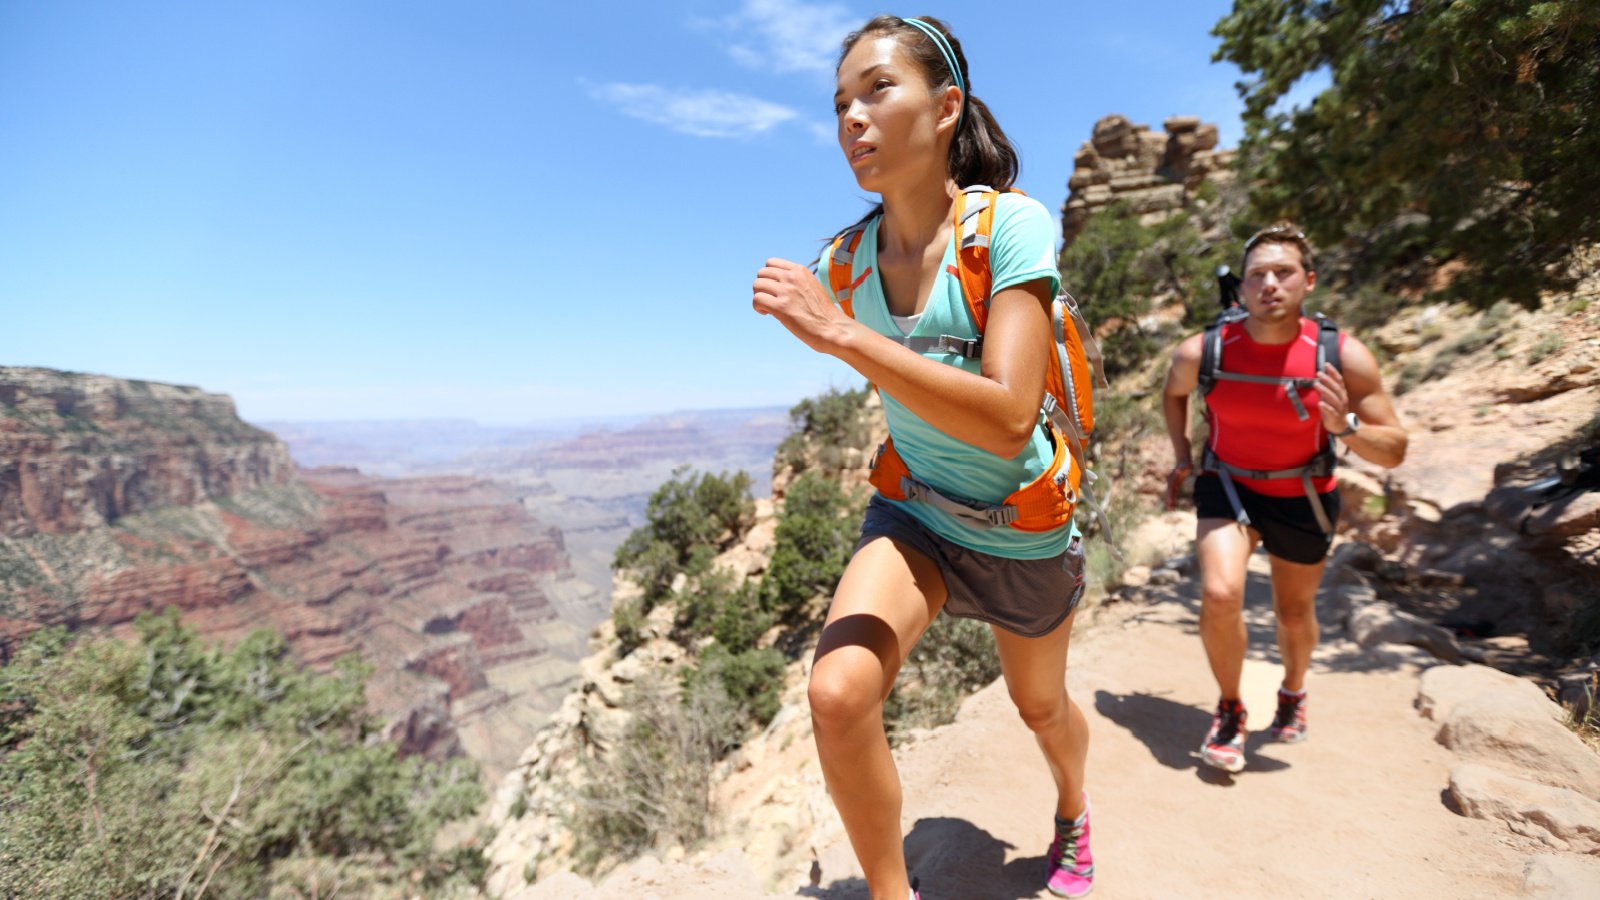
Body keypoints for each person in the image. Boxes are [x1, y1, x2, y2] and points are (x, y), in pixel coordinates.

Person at [752, 15, 1095, 900]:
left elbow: (1010, 417)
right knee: (837, 694)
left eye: (877, 90)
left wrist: (837, 336)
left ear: (947, 108)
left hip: (1021, 525)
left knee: (1040, 708)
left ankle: (1072, 809)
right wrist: (828, 324)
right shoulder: (847, 263)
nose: (852, 120)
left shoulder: (1008, 229)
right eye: (838, 105)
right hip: (918, 514)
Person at [1160, 223, 1408, 773]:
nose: (1269, 283)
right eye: (1257, 275)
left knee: (1293, 615)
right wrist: (1183, 456)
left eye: (1283, 272)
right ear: (1241, 288)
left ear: (1308, 281)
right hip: (1228, 484)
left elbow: (1393, 450)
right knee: (1221, 594)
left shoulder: (1341, 355)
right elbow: (1173, 394)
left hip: (1304, 493)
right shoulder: (1204, 350)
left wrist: (1343, 427)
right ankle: (1230, 710)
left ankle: (1293, 693)